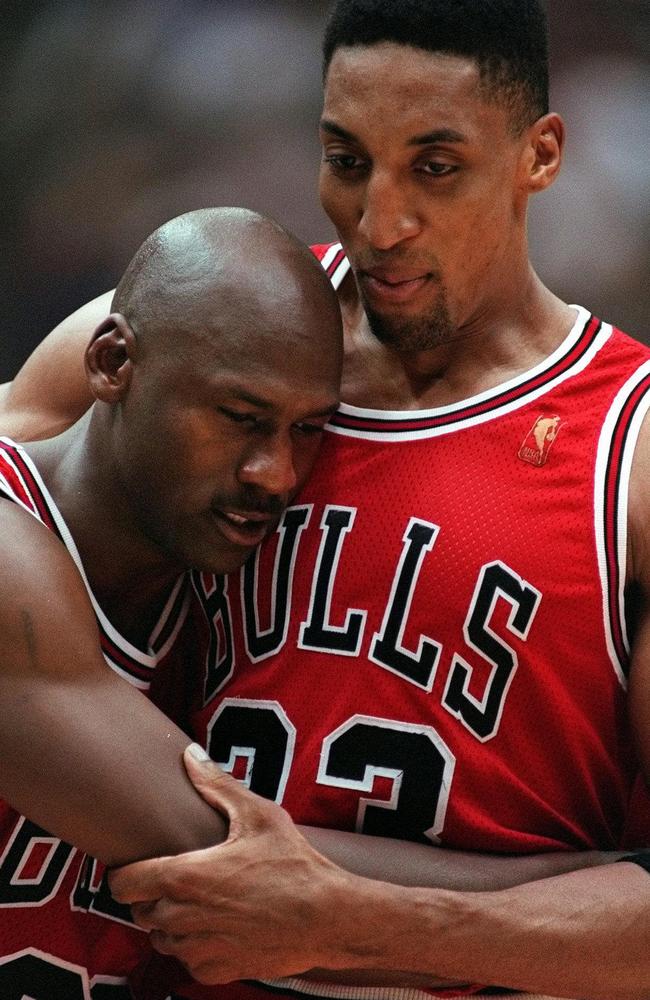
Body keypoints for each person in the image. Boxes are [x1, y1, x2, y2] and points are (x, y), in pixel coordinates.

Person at [1, 2, 649, 999]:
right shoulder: (212, 322)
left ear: (538, 155)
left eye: (434, 166)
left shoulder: (628, 447)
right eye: (348, 161)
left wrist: (352, 919)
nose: (378, 220)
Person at [0, 205, 344, 996]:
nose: (276, 474)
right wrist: (584, 888)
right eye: (239, 418)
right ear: (114, 365)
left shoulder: (208, 583)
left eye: (307, 430)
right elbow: (260, 889)